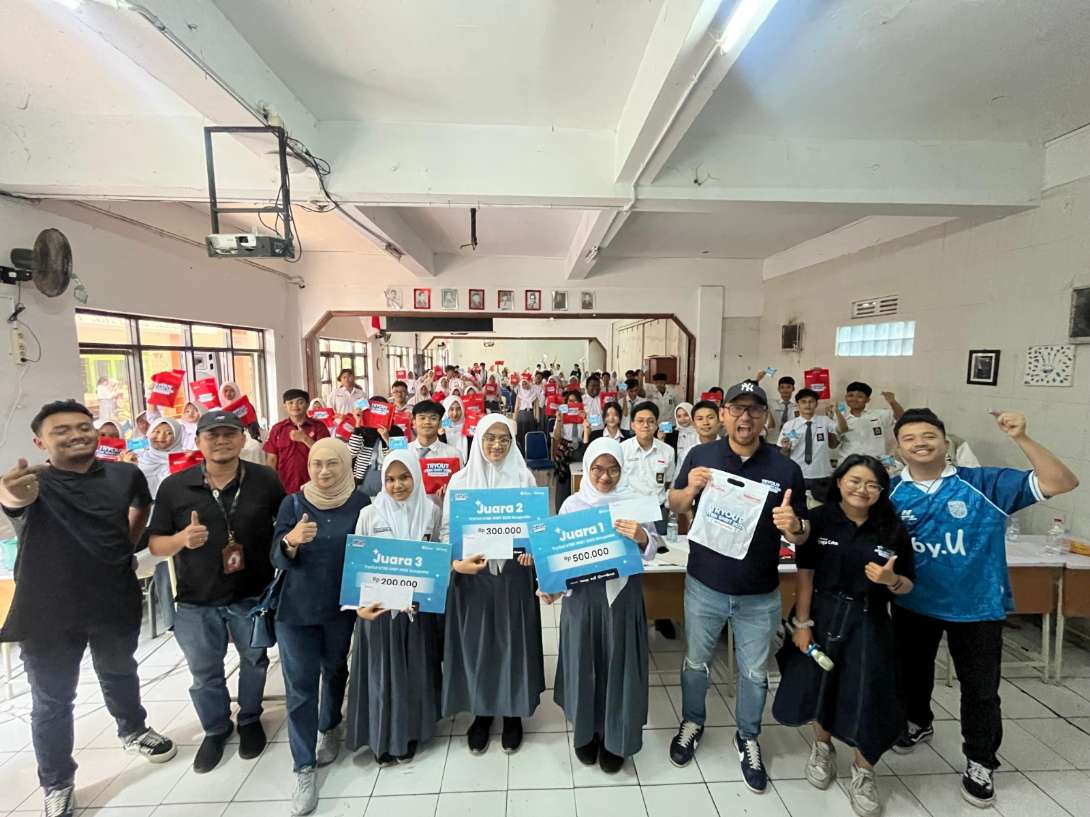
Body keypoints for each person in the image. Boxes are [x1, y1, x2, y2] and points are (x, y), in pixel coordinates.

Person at [887, 408, 1078, 807]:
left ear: (945, 443)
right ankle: (917, 721)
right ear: (898, 448)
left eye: (929, 436)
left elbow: (1062, 482)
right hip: (913, 602)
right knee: (910, 674)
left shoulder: (984, 483)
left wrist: (1021, 438)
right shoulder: (889, 492)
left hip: (977, 606)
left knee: (980, 690)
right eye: (910, 438)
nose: (920, 443)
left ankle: (980, 760)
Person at [0, 401, 176, 817]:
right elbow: (14, 499)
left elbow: (141, 506)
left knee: (120, 671)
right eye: (61, 430)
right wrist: (11, 493)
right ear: (39, 442)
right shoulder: (34, 482)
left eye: (83, 426)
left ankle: (133, 729)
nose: (76, 434)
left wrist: (124, 546)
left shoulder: (124, 474)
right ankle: (57, 782)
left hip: (112, 595)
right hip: (47, 610)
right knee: (52, 700)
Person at [667, 380, 809, 792]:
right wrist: (690, 489)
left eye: (754, 409)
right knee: (696, 663)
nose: (745, 417)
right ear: (724, 415)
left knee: (754, 673)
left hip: (759, 593)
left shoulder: (785, 469)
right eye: (737, 409)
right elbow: (675, 503)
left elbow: (801, 534)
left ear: (765, 417)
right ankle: (692, 721)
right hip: (704, 586)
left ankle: (747, 736)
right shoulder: (701, 455)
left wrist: (794, 526)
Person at [772, 454, 916, 817]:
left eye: (872, 484)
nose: (862, 490)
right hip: (821, 613)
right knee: (821, 684)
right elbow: (805, 571)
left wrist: (891, 580)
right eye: (854, 481)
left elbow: (908, 584)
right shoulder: (821, 519)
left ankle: (864, 770)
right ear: (839, 482)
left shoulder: (892, 528)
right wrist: (802, 624)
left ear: (881, 490)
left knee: (868, 692)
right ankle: (822, 747)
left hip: (868, 619)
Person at [148, 410, 285, 773]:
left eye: (229, 434)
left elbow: (283, 523)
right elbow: (156, 544)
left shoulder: (265, 479)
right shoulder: (175, 487)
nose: (221, 441)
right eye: (212, 435)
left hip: (252, 594)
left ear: (242, 439)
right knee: (204, 671)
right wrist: (181, 539)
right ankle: (215, 728)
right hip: (197, 598)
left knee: (254, 661)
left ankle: (250, 718)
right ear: (198, 441)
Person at [546, 438, 661, 772]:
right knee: (584, 663)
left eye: (613, 469)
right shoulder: (572, 505)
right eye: (597, 469)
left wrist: (642, 536)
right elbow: (558, 556)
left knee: (619, 665)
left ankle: (616, 738)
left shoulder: (636, 501)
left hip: (622, 599)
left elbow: (653, 548)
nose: (605, 477)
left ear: (622, 470)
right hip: (583, 600)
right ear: (587, 469)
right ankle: (587, 733)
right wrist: (550, 588)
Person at [271, 439, 367, 816]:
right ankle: (304, 767)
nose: (324, 472)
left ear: (345, 464)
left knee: (336, 668)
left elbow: (373, 552)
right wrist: (291, 541)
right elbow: (276, 554)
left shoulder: (360, 503)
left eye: (332, 464)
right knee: (300, 687)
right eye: (316, 464)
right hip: (296, 610)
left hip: (340, 608)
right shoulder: (293, 503)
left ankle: (330, 725)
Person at [441, 414, 545, 755]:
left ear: (512, 442)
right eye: (490, 438)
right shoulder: (460, 481)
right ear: (479, 441)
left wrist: (533, 551)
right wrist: (456, 564)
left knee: (514, 641)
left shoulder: (524, 478)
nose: (496, 445)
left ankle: (513, 713)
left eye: (503, 438)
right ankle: (482, 712)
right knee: (478, 644)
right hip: (474, 577)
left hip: (513, 575)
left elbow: (537, 529)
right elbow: (446, 531)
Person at [347, 452, 444, 766]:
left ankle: (410, 733)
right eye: (389, 479)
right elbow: (357, 564)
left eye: (404, 477)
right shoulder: (369, 514)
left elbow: (437, 556)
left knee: (413, 672)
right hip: (379, 614)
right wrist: (358, 606)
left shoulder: (430, 511)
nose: (397, 485)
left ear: (416, 476)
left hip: (416, 613)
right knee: (381, 675)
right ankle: (380, 737)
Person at [620, 401, 676, 535]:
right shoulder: (621, 449)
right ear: (632, 424)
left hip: (657, 512)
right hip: (629, 512)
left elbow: (668, 482)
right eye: (640, 421)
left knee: (659, 547)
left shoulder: (668, 451)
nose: (645, 425)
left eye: (650, 421)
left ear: (656, 425)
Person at [264, 389, 331, 494]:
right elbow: (272, 459)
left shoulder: (319, 427)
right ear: (284, 406)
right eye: (290, 403)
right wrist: (270, 483)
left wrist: (305, 439)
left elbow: (326, 454)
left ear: (307, 405)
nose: (295, 406)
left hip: (313, 485)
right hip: (283, 486)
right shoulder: (277, 429)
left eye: (300, 402)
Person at [780, 388, 840, 502]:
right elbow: (783, 455)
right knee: (798, 508)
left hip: (822, 475)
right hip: (798, 475)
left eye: (811, 401)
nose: (807, 405)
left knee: (823, 509)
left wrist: (836, 413)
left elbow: (834, 443)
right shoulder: (789, 425)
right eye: (803, 402)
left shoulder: (825, 421)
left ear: (816, 404)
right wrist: (785, 449)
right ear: (797, 404)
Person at [832, 382, 905, 460]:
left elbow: (901, 418)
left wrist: (893, 402)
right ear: (845, 397)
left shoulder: (879, 415)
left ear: (867, 400)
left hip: (875, 461)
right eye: (850, 395)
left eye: (860, 396)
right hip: (849, 461)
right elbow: (834, 445)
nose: (854, 399)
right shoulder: (839, 418)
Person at [134, 417, 185, 497]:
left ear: (177, 437)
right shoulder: (138, 459)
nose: (161, 437)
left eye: (169, 433)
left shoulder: (184, 461)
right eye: (156, 431)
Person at [409, 399, 463, 466]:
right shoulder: (403, 452)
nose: (427, 422)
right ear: (413, 422)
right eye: (422, 418)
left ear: (440, 423)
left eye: (433, 418)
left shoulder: (453, 455)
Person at [665, 402, 700, 473]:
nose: (682, 419)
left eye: (686, 415)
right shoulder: (672, 433)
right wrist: (661, 439)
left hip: (697, 470)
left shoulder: (700, 431)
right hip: (677, 471)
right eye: (679, 416)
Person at [439, 395, 471, 463]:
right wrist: (441, 436)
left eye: (458, 409)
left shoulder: (469, 428)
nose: (455, 413)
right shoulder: (440, 428)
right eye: (451, 409)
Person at [764, 376, 797, 441]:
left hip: (791, 441)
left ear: (793, 389)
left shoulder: (798, 406)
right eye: (782, 387)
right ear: (778, 389)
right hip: (772, 440)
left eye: (788, 387)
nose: (785, 390)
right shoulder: (770, 404)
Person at [514, 379, 539, 452]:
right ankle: (521, 450)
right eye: (523, 384)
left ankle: (530, 450)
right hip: (521, 415)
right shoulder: (520, 394)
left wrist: (536, 417)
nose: (524, 385)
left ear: (529, 384)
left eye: (526, 384)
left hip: (530, 415)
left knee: (530, 433)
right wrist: (514, 418)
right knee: (521, 434)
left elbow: (536, 407)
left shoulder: (533, 394)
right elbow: (516, 408)